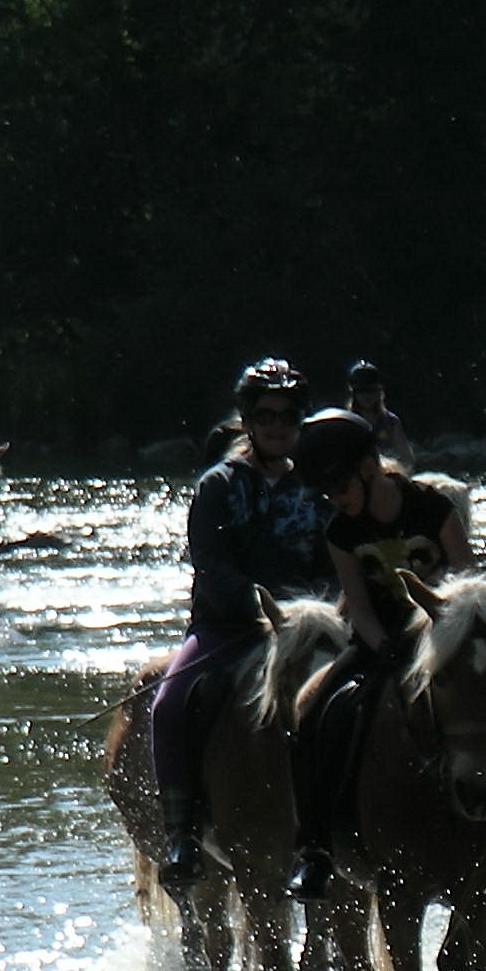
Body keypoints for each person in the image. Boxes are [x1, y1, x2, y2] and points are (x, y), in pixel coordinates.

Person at [146, 358, 333, 890]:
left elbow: (332, 561)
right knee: (169, 703)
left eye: (289, 416)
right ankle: (182, 832)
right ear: (249, 420)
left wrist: (318, 612)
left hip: (311, 626)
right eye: (267, 415)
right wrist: (261, 609)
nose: (278, 425)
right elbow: (212, 563)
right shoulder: (218, 486)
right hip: (230, 627)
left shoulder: (318, 488)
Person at [282, 406, 477, 900]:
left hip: (445, 638)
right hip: (380, 644)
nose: (335, 502)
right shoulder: (341, 532)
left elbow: (467, 583)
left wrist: (435, 636)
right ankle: (316, 848)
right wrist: (386, 647)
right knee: (312, 711)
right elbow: (360, 607)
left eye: (340, 489)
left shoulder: (434, 510)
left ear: (369, 468)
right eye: (327, 495)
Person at [345, 359, 416, 473]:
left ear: (379, 392)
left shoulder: (391, 422)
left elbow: (407, 458)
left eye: (371, 391)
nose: (367, 396)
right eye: (362, 391)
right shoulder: (347, 422)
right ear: (354, 394)